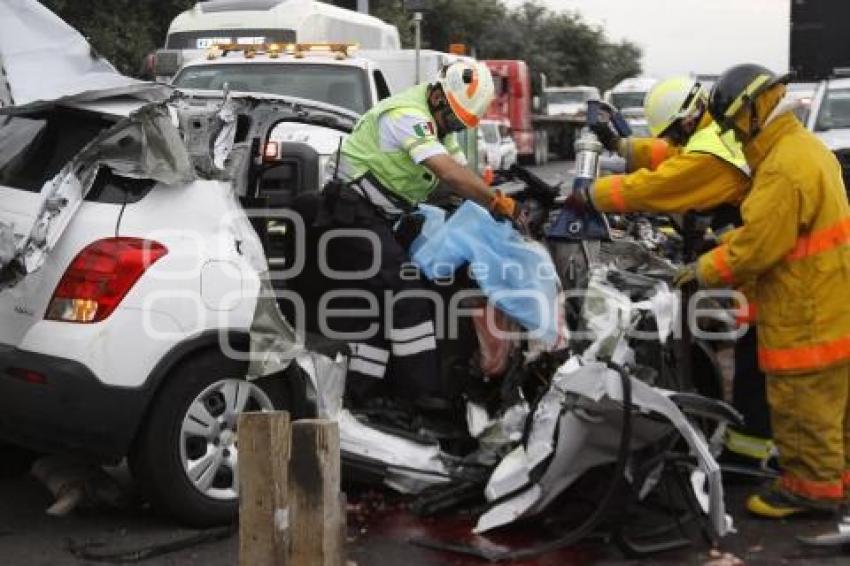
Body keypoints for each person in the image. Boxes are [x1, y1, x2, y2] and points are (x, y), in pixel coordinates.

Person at [677, 63, 850, 518]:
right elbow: (789, 231)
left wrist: (701, 269)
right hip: (830, 299)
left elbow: (758, 250)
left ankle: (810, 492)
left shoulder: (782, 168)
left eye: (734, 124)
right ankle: (837, 478)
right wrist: (732, 240)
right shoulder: (804, 149)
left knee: (799, 405)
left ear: (753, 111)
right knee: (833, 408)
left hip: (804, 312)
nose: (733, 135)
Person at [575, 76, 774, 465]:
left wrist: (590, 194)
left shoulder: (708, 155)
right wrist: (622, 145)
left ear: (688, 118)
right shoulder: (713, 132)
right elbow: (672, 156)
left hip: (766, 264)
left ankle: (749, 454)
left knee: (758, 360)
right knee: (754, 352)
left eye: (673, 131)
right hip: (759, 258)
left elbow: (659, 186)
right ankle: (747, 444)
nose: (673, 139)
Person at [315, 61, 516, 408]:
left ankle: (364, 396)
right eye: (452, 117)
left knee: (381, 306)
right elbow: (449, 174)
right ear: (439, 96)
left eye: (459, 122)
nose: (453, 126)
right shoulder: (407, 115)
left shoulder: (441, 126)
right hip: (351, 214)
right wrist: (497, 203)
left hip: (375, 217)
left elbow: (462, 174)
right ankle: (421, 395)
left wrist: (495, 197)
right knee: (408, 294)